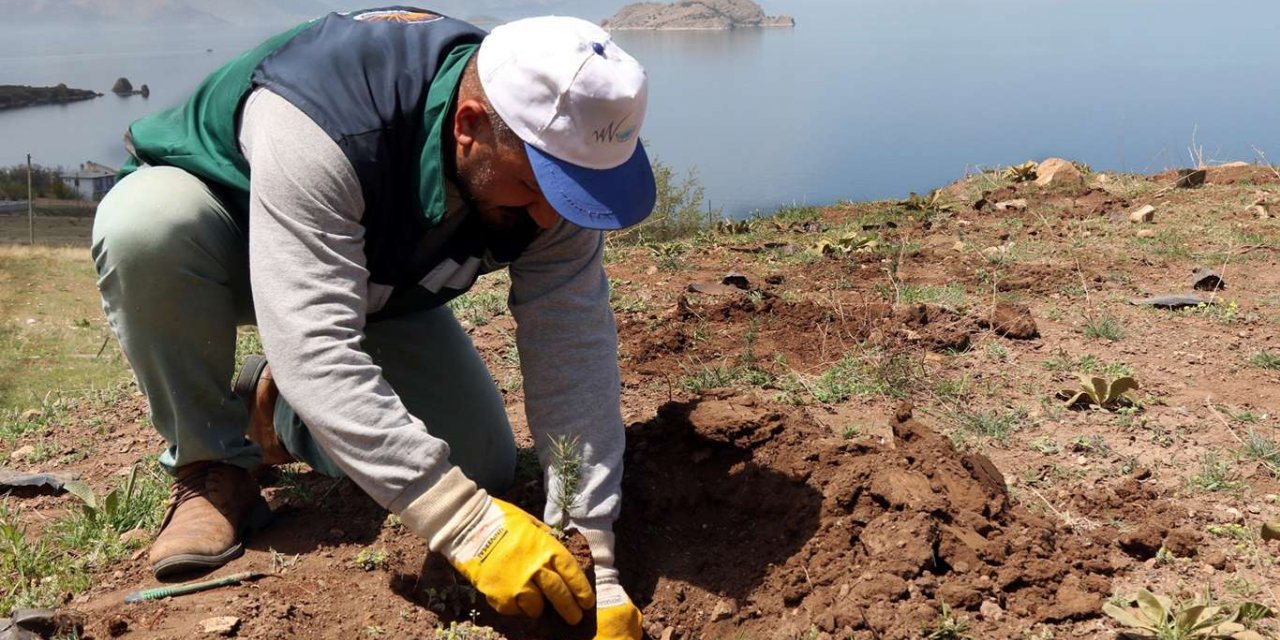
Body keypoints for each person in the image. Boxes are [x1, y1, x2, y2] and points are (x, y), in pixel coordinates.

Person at [91, 8, 654, 639]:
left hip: (373, 277)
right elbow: (315, 342)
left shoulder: (563, 156)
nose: (551, 218)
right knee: (146, 227)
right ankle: (210, 466)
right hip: (228, 232)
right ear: (469, 127)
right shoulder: (325, 117)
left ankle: (278, 408)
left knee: (478, 466)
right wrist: (465, 527)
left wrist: (590, 547)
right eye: (533, 186)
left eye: (570, 189)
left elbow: (570, 343)